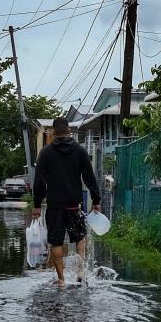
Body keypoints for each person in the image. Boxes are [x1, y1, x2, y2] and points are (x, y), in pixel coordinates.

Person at [31, 117, 103, 286]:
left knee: (56, 241)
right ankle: (80, 272)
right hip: (74, 205)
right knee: (80, 237)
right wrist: (96, 199)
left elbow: (40, 181)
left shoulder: (46, 153)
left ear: (54, 133)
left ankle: (61, 280)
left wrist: (36, 204)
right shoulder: (80, 151)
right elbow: (89, 177)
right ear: (69, 131)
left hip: (55, 205)